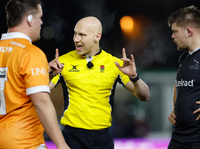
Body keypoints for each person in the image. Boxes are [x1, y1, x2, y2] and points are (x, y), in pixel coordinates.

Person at [50, 16, 150, 149]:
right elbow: (41, 92)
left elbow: (145, 96)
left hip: (103, 139)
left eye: (81, 35)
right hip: (72, 137)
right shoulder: (62, 62)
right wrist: (49, 73)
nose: (75, 39)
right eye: (75, 33)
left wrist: (134, 77)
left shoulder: (114, 64)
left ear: (97, 37)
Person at [0, 0, 70, 148]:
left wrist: (46, 75)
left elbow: (12, 85)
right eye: (40, 17)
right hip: (25, 142)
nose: (42, 22)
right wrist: (62, 145)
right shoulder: (30, 53)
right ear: (30, 20)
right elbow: (41, 102)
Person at [167, 5, 200, 149]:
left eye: (175, 32)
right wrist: (175, 109)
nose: (172, 36)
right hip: (179, 136)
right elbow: (178, 85)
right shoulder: (183, 58)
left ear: (189, 31)